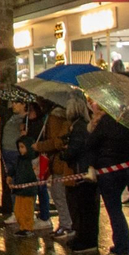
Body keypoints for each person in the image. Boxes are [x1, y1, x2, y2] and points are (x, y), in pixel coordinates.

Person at [87, 98, 129, 255]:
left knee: (114, 209)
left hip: (107, 170)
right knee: (116, 207)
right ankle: (123, 243)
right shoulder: (127, 124)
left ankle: (123, 245)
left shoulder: (105, 122)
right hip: (124, 170)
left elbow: (91, 143)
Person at [62, 97, 100, 255]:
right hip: (83, 171)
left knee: (85, 209)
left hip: (82, 172)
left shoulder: (78, 127)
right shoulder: (82, 125)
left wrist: (65, 152)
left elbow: (74, 150)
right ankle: (82, 238)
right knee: (83, 208)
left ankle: (86, 240)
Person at [33, 98, 75, 235]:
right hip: (58, 162)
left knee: (59, 194)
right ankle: (66, 224)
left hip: (59, 162)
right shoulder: (58, 117)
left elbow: (56, 142)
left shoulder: (55, 118)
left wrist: (40, 146)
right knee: (59, 194)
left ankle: (66, 225)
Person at [10, 135, 39, 235]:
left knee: (27, 210)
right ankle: (23, 227)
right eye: (19, 147)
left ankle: (28, 228)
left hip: (28, 191)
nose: (20, 150)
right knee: (18, 210)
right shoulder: (19, 159)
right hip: (19, 190)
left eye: (22, 147)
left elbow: (34, 175)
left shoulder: (32, 160)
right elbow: (13, 169)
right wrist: (9, 176)